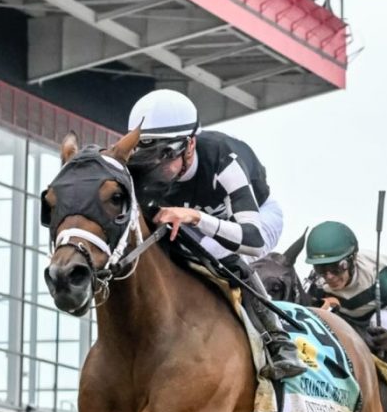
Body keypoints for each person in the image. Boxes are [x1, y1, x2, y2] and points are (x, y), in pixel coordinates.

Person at [123, 89, 305, 380]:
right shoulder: (147, 171)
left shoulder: (223, 159)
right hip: (200, 224)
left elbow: (254, 242)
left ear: (190, 145)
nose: (156, 169)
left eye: (164, 157)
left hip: (256, 219)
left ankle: (279, 340)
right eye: (147, 158)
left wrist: (196, 217)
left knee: (222, 254)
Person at [303, 219, 387, 412]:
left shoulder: (378, 273)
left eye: (338, 267)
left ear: (352, 259)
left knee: (386, 322)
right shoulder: (318, 283)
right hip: (347, 323)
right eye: (321, 269)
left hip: (379, 323)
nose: (330, 277)